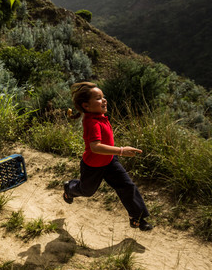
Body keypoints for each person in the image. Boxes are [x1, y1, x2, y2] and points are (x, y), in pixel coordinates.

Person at [63, 82, 153, 231]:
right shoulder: (92, 122)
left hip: (110, 161)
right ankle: (69, 188)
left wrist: (117, 153)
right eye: (98, 98)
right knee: (87, 191)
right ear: (86, 106)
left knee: (127, 186)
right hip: (93, 166)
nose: (104, 100)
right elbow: (95, 147)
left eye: (103, 97)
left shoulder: (99, 116)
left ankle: (137, 218)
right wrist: (122, 150)